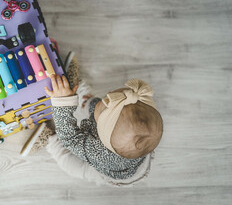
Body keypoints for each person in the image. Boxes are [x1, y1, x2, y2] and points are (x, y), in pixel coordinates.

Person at [21, 52, 163, 185]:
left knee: (69, 164)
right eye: (108, 97)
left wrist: (63, 102)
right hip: (130, 154)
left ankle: (49, 139)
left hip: (103, 171)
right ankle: (83, 97)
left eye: (103, 104)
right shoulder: (136, 133)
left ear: (99, 132)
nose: (105, 97)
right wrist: (94, 104)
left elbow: (70, 138)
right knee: (98, 107)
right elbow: (106, 111)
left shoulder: (98, 152)